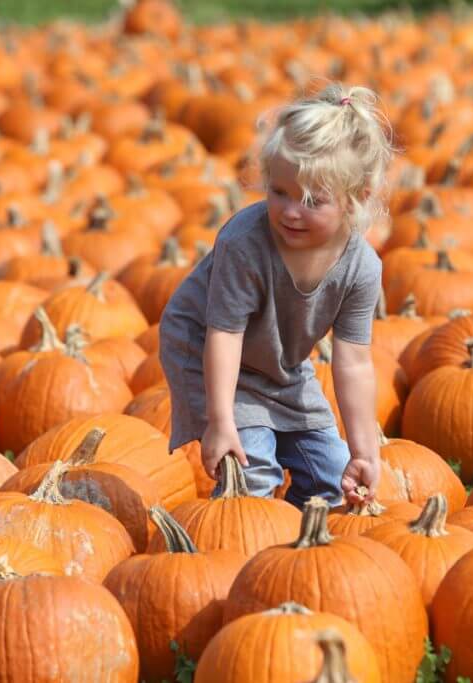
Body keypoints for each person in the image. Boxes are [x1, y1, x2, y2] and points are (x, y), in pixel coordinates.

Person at [159, 84, 392, 508]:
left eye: (310, 200)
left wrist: (363, 452)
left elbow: (354, 363)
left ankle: (295, 547)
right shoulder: (245, 244)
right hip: (205, 347)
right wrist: (221, 420)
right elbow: (224, 334)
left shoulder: (362, 268)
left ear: (356, 199)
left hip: (279, 363)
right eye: (278, 192)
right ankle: (246, 547)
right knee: (254, 471)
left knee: (332, 479)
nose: (289, 211)